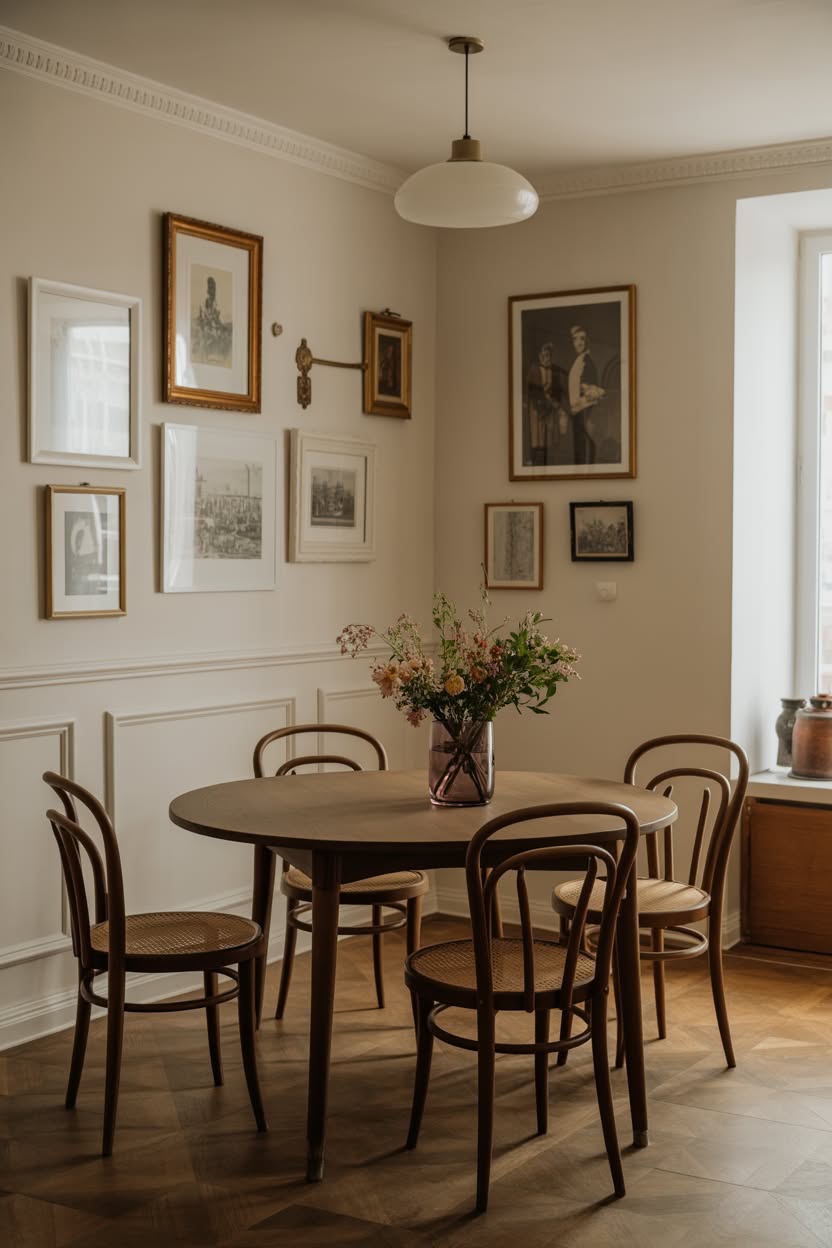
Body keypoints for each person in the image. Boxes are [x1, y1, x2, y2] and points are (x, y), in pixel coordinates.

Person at [567, 325, 605, 465]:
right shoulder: (578, 361)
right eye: (575, 339)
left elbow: (590, 389)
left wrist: (585, 390)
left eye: (582, 338)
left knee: (585, 449)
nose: (579, 342)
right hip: (578, 412)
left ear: (587, 340)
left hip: (585, 412)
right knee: (579, 450)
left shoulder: (587, 362)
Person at [525, 342, 568, 465]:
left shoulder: (555, 371)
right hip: (537, 407)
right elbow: (531, 390)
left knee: (549, 437)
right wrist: (542, 400)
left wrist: (555, 402)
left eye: (548, 355)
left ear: (551, 356)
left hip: (550, 407)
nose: (546, 358)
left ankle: (549, 462)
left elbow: (558, 389)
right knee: (537, 436)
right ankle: (535, 461)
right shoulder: (534, 369)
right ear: (539, 356)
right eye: (543, 355)